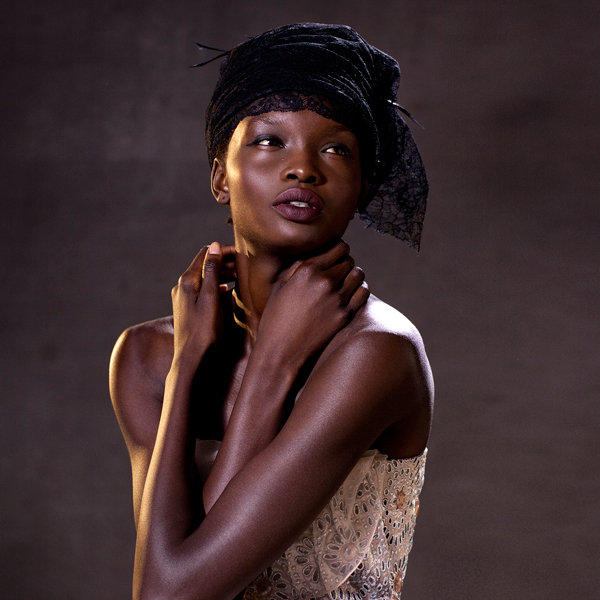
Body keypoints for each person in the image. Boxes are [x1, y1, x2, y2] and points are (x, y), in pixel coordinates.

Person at [109, 23, 433, 600]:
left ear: (362, 187)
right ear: (220, 177)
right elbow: (166, 579)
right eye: (268, 141)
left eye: (336, 148)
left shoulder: (376, 353)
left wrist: (276, 359)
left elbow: (170, 594)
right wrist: (188, 362)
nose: (303, 167)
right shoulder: (149, 355)